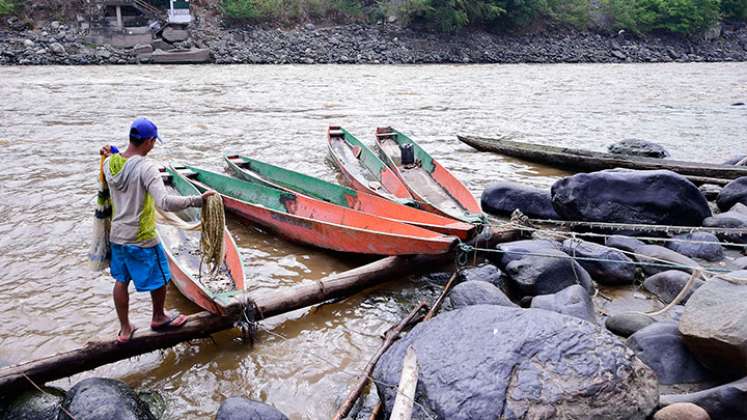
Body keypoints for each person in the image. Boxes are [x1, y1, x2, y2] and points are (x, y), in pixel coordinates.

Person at [100, 117, 213, 343]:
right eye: (154, 142)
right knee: (162, 276)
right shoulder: (147, 168)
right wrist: (196, 200)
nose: (153, 146)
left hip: (118, 235)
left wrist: (112, 150)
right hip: (142, 236)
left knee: (121, 281)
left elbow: (116, 157)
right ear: (149, 141)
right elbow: (164, 202)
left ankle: (124, 329)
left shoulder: (109, 164)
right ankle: (159, 318)